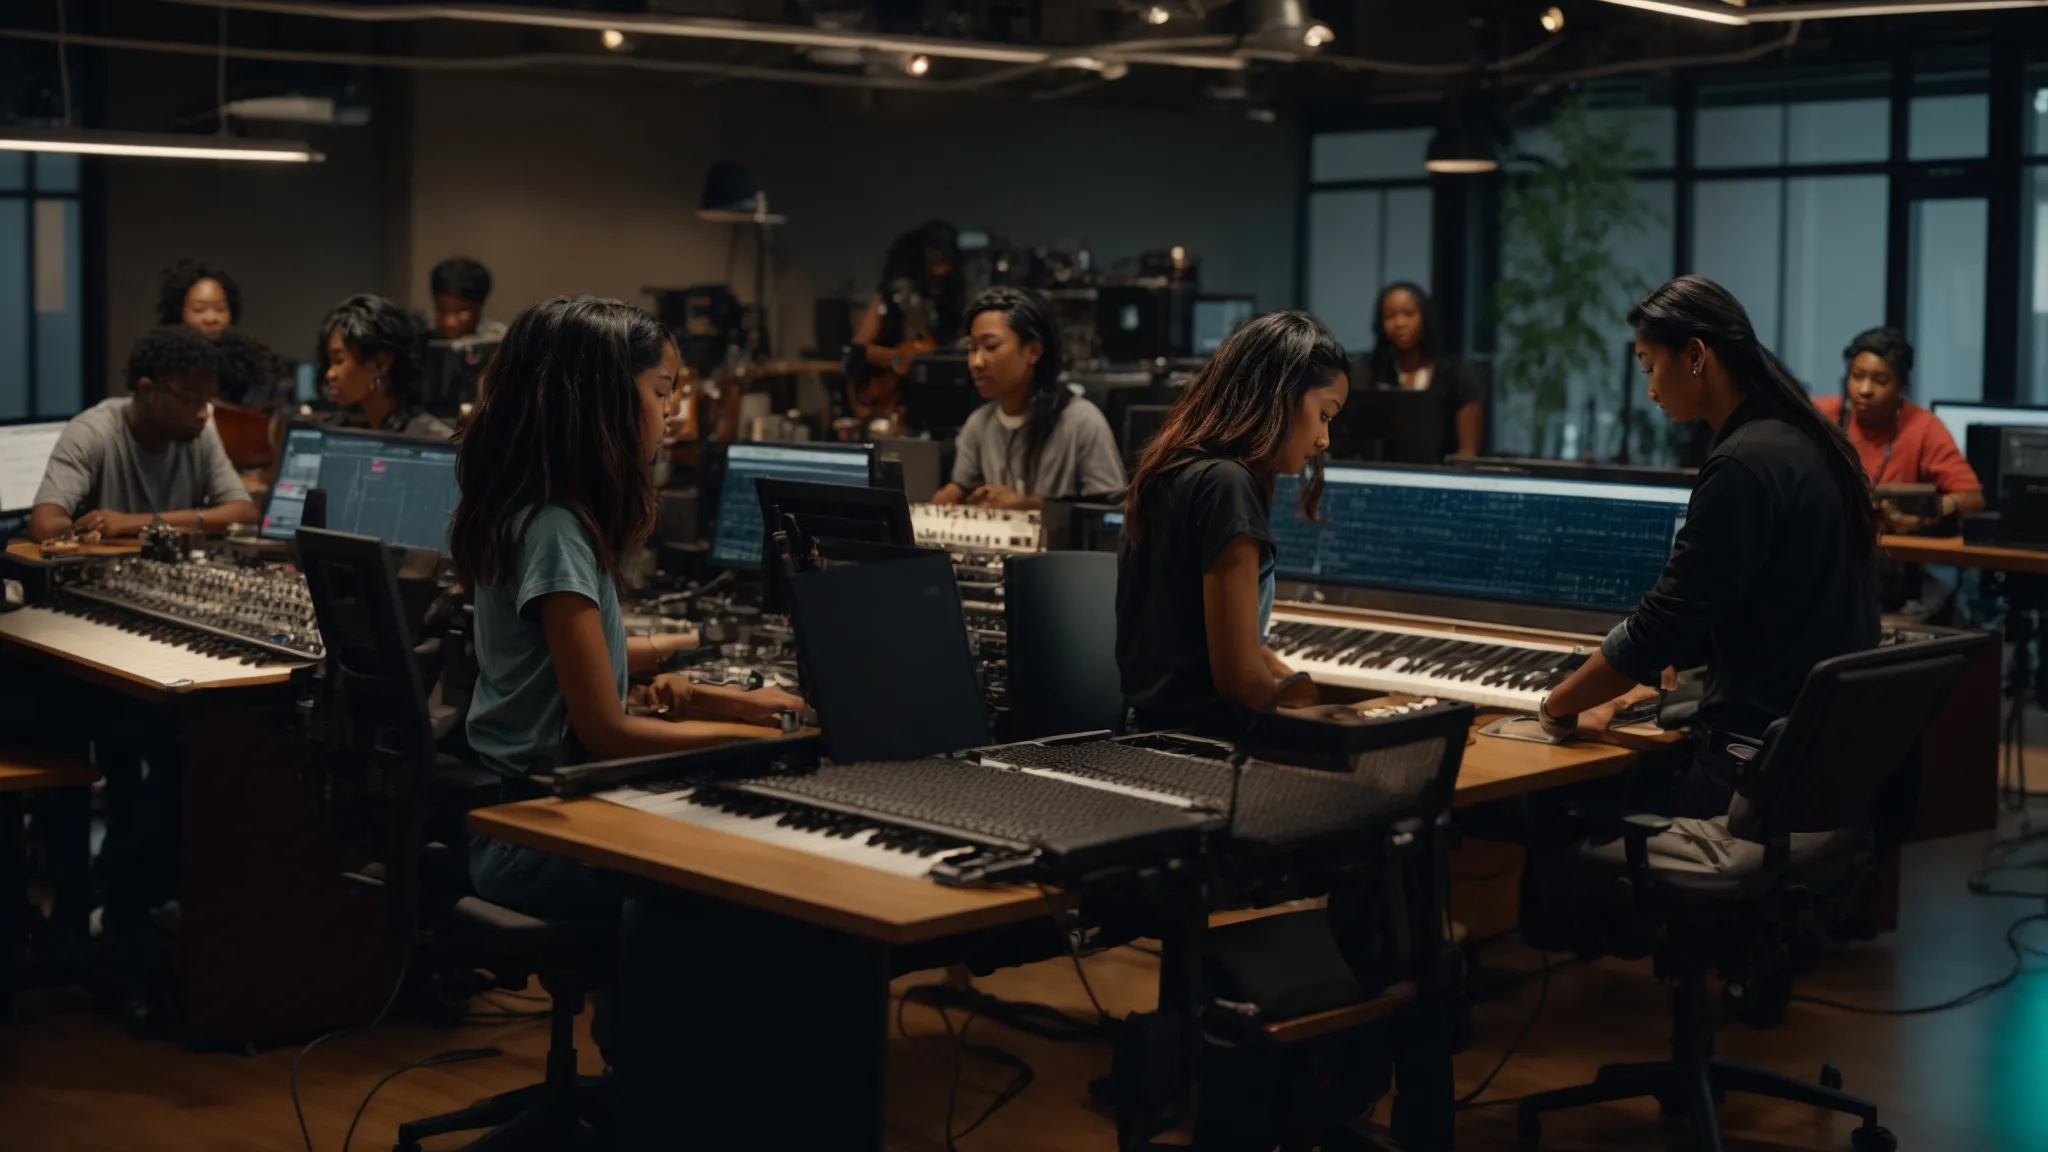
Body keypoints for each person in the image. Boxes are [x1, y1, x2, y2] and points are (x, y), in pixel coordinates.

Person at [452, 296, 802, 1143]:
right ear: (599, 399)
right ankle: (673, 1094)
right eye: (661, 387)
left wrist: (722, 692)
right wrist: (762, 733)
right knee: (745, 885)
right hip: (536, 837)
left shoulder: (535, 509)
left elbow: (585, 668)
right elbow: (606, 731)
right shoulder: (558, 529)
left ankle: (655, 1078)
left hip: (521, 813)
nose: (674, 407)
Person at [1536, 276, 1880, 818]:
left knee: (1551, 816)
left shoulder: (1743, 463)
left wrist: (1555, 707)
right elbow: (1757, 598)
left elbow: (1659, 626)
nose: (1648, 389)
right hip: (1816, 760)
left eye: (1650, 367)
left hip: (1747, 771)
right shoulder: (1803, 440)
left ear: (1695, 355)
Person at [1117, 311, 1351, 735]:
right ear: (1281, 395)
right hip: (1208, 748)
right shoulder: (1228, 485)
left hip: (1150, 733)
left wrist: (1291, 682)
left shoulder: (1175, 470)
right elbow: (1240, 680)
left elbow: (1214, 642)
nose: (1324, 440)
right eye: (1324, 414)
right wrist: (1330, 728)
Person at [29, 326, 258, 542]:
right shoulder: (92, 432)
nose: (203, 413)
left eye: (207, 400)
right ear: (148, 390)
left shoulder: (200, 433)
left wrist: (136, 523)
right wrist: (83, 531)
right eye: (192, 400)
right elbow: (45, 524)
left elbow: (244, 512)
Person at [929, 287, 1125, 510]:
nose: (976, 362)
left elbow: (1111, 511)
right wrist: (955, 495)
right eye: (972, 348)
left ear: (1033, 351)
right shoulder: (978, 424)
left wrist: (1026, 506)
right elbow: (963, 486)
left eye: (990, 346)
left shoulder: (1081, 421)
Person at [1815, 327, 1984, 529]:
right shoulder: (1821, 414)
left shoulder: (1923, 426)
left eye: (1880, 381)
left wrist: (1930, 512)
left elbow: (1973, 498)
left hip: (1891, 551)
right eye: (1857, 376)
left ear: (1900, 386)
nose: (1865, 390)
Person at [1337, 282, 1483, 461]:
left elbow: (1467, 455)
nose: (1399, 323)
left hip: (1441, 480)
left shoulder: (1457, 373)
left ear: (1425, 317)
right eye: (1390, 316)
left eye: (1409, 314)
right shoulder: (1366, 372)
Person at [318, 294, 455, 439]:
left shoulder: (435, 440)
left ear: (380, 363)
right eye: (330, 362)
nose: (330, 374)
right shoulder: (331, 432)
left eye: (338, 361)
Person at [852, 221, 966, 355]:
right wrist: (899, 358)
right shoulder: (893, 295)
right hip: (895, 371)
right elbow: (860, 348)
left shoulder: (953, 299)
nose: (942, 261)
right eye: (935, 252)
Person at [429, 256, 508, 344]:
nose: (450, 322)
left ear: (478, 308)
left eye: (461, 312)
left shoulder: (499, 341)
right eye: (442, 311)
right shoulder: (425, 341)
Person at [156, 258, 240, 338]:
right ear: (178, 312)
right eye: (199, 309)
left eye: (220, 309)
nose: (211, 318)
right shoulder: (155, 352)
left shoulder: (245, 351)